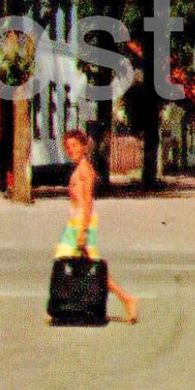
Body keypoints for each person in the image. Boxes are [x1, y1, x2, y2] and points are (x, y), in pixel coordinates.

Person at [58, 128, 138, 324]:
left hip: (82, 222)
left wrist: (83, 231)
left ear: (84, 147)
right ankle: (64, 306)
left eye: (75, 145)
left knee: (78, 263)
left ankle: (127, 299)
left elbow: (88, 202)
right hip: (76, 222)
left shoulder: (85, 170)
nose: (71, 150)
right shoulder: (79, 168)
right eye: (68, 147)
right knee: (76, 263)